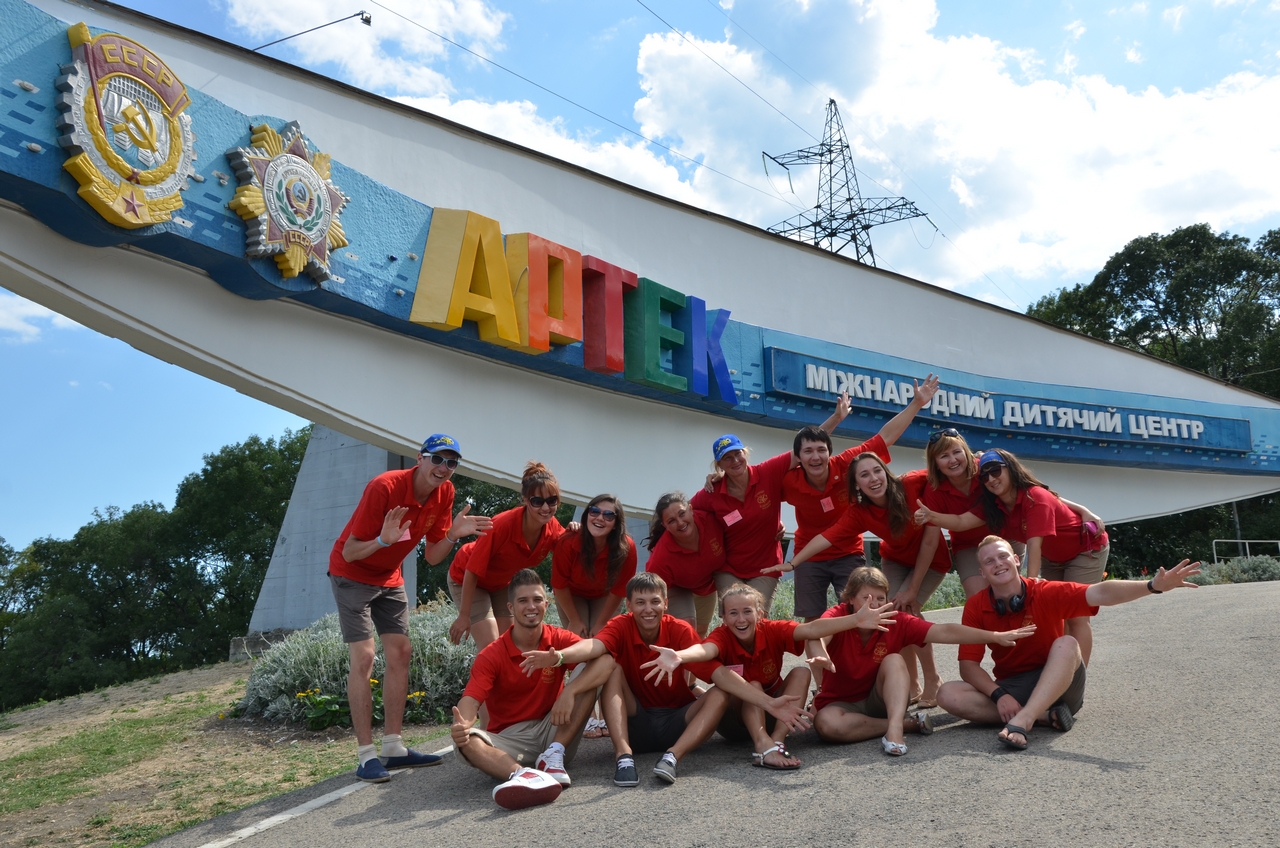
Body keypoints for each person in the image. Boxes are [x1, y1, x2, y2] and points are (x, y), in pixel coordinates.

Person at [329, 433, 493, 783]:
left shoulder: (445, 493)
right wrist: (382, 540)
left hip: (389, 578)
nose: (444, 468)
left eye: (451, 463)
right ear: (420, 458)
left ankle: (393, 747)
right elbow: (350, 552)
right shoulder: (384, 488)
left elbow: (433, 556)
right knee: (364, 657)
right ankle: (366, 756)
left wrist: (453, 535)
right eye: (437, 459)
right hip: (352, 575)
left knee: (401, 652)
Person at [936, 536, 1200, 750]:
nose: (998, 564)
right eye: (989, 561)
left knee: (1067, 644)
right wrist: (999, 695)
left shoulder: (1045, 591)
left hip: (1059, 683)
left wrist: (1151, 586)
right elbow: (968, 666)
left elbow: (1100, 592)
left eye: (1003, 556)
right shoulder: (976, 605)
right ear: (982, 572)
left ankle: (1024, 720)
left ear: (1016, 560)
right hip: (1013, 686)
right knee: (947, 694)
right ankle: (1043, 716)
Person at [641, 582, 898, 769]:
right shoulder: (721, 636)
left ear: (760, 614)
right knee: (753, 683)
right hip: (734, 722)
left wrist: (855, 620)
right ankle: (762, 745)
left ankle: (777, 742)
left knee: (800, 672)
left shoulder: (772, 630)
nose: (741, 619)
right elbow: (706, 650)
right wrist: (680, 656)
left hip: (776, 713)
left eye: (747, 611)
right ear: (723, 618)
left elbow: (811, 629)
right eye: (733, 613)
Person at [767, 453, 951, 709]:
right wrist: (793, 563)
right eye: (864, 475)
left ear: (885, 472)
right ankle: (912, 683)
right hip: (896, 559)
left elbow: (944, 469)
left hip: (930, 560)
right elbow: (827, 537)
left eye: (877, 471)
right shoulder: (860, 513)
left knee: (908, 608)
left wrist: (976, 459)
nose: (873, 478)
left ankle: (933, 679)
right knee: (891, 614)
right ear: (856, 485)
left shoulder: (910, 483)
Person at [520, 573, 730, 786]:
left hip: (678, 722)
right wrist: (560, 656)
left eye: (655, 601)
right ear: (628, 605)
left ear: (665, 603)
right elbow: (595, 645)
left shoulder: (680, 629)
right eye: (640, 602)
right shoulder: (621, 625)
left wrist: (752, 695)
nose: (648, 609)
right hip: (635, 723)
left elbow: (714, 671)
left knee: (720, 693)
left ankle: (673, 757)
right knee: (611, 666)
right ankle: (623, 756)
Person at [808, 566, 1035, 756]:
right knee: (826, 725)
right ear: (850, 599)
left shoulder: (896, 620)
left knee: (894, 660)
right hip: (841, 704)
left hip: (883, 699)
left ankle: (895, 730)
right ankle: (908, 724)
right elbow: (816, 634)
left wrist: (993, 636)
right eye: (866, 599)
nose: (875, 605)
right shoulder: (838, 615)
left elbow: (944, 631)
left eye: (880, 598)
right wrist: (821, 654)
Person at [914, 448, 1108, 664]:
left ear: (1011, 469)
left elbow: (1034, 544)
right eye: (985, 476)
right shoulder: (995, 506)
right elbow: (961, 521)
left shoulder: (1034, 497)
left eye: (996, 471)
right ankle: (1062, 670)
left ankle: (1077, 677)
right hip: (1053, 558)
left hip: (1084, 550)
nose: (991, 479)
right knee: (1058, 615)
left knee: (1076, 616)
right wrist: (932, 516)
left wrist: (1031, 588)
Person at [450, 569, 615, 809]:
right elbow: (471, 699)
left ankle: (554, 755)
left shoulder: (556, 638)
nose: (531, 606)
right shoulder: (491, 655)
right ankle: (523, 776)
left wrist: (569, 688)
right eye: (523, 601)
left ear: (546, 605)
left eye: (537, 599)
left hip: (555, 730)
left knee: (595, 667)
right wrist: (462, 724)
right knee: (465, 741)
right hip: (511, 738)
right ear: (510, 607)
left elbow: (605, 659)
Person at [782, 376, 940, 624]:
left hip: (848, 552)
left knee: (860, 612)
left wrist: (916, 404)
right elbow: (761, 489)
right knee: (812, 620)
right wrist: (788, 553)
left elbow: (885, 437)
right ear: (799, 458)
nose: (815, 457)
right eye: (807, 453)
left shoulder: (849, 464)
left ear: (830, 452)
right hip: (809, 554)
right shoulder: (790, 480)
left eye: (822, 451)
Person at [448, 461, 565, 650]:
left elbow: (572, 549)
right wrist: (464, 615)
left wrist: (577, 528)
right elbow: (472, 570)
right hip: (467, 578)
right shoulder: (501, 525)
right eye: (537, 501)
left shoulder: (553, 527)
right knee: (491, 647)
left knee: (512, 645)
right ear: (525, 500)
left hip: (500, 583)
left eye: (552, 501)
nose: (545, 508)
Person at [691, 434, 792, 612]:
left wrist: (836, 419)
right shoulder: (712, 491)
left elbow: (803, 449)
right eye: (727, 458)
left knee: (755, 617)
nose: (735, 460)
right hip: (728, 568)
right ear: (719, 465)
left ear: (745, 453)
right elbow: (683, 513)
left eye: (738, 453)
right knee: (733, 616)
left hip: (766, 567)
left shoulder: (766, 473)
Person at [551, 494, 637, 637]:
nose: (600, 518)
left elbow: (619, 589)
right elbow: (559, 585)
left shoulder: (626, 548)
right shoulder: (567, 542)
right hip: (572, 594)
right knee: (579, 637)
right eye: (594, 511)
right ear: (587, 515)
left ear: (616, 524)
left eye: (609, 515)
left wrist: (601, 623)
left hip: (605, 595)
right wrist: (574, 621)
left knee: (601, 638)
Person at [643, 492, 725, 637]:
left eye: (682, 514)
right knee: (686, 628)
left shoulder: (711, 520)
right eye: (672, 521)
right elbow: (651, 593)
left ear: (691, 509)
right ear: (665, 525)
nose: (680, 523)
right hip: (676, 586)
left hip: (707, 583)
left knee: (700, 631)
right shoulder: (661, 557)